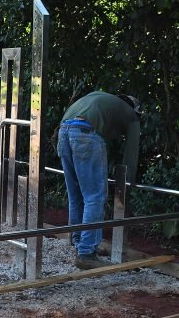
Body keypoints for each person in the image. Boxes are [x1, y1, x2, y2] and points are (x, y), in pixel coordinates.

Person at [56, 91, 141, 270]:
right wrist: (127, 182)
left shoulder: (100, 97)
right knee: (95, 197)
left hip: (63, 132)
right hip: (86, 134)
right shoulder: (131, 114)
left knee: (76, 195)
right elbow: (131, 152)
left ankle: (79, 243)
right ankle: (86, 253)